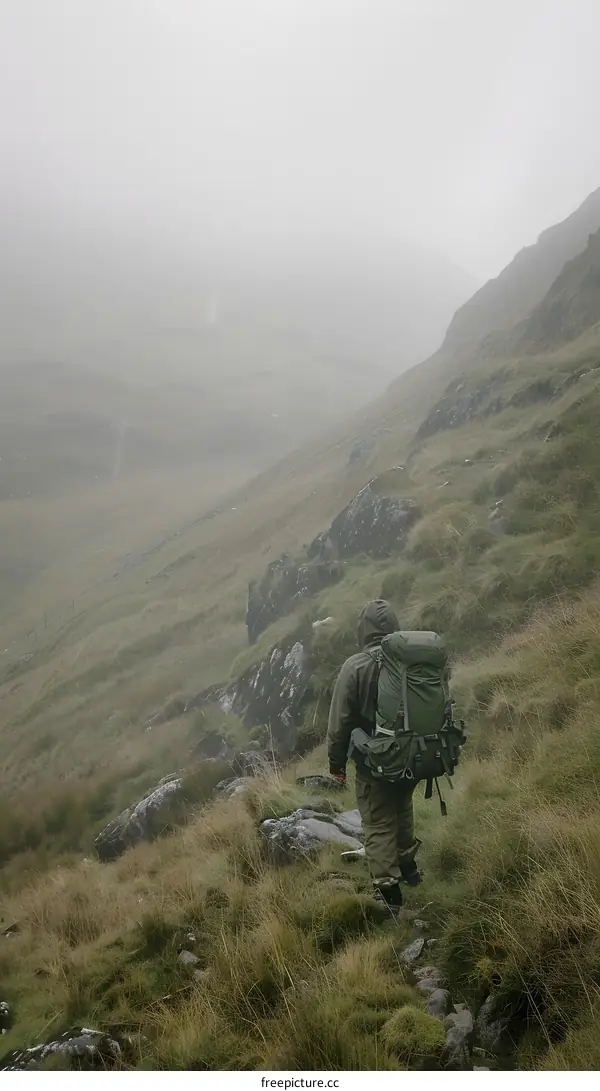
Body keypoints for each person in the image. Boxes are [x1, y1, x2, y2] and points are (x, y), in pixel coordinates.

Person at [326, 599, 421, 911]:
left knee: (378, 821)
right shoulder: (410, 658)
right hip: (410, 755)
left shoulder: (354, 667)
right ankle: (410, 870)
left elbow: (340, 722)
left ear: (362, 630)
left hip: (372, 762)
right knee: (403, 810)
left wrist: (336, 763)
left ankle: (388, 892)